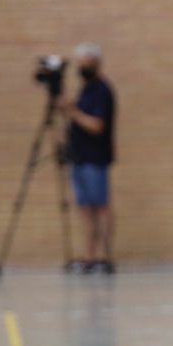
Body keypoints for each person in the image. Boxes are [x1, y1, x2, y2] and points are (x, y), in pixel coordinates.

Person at [58, 42, 117, 274]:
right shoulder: (85, 90)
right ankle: (89, 256)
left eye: (85, 63)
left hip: (96, 158)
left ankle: (104, 256)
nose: (81, 68)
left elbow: (96, 125)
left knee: (100, 207)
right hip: (79, 157)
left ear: (95, 63)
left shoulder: (102, 90)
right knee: (84, 208)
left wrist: (72, 111)